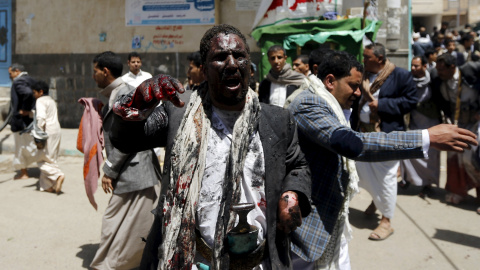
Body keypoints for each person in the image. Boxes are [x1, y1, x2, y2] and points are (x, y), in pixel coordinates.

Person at [109, 24, 312, 269]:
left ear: (250, 66)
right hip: (194, 259)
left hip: (261, 260)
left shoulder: (278, 121)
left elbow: (297, 165)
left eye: (239, 56)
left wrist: (292, 195)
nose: (231, 64)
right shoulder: (179, 114)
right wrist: (135, 105)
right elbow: (124, 140)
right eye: (219, 57)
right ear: (204, 70)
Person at [288, 50, 478, 269]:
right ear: (330, 81)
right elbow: (351, 144)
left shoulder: (328, 101)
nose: (359, 93)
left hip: (332, 219)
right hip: (310, 226)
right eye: (354, 85)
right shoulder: (308, 104)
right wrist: (426, 137)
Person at [89, 51, 161, 270]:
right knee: (120, 223)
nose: (93, 76)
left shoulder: (126, 94)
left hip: (135, 170)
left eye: (95, 71)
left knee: (126, 224)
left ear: (105, 71)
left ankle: (114, 264)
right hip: (131, 171)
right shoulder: (117, 94)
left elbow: (129, 138)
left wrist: (109, 169)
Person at [354, 42, 417, 241]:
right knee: (366, 173)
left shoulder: (400, 76)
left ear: (379, 59)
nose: (363, 60)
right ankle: (375, 201)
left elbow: (410, 101)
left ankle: (386, 221)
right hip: (364, 133)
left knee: (387, 177)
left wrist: (383, 104)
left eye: (367, 57)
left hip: (388, 135)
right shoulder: (362, 75)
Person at [431, 53, 480, 206]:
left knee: (473, 158)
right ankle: (458, 190)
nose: (439, 73)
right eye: (437, 69)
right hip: (457, 121)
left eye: (442, 70)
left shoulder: (471, 71)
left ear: (452, 67)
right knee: (453, 154)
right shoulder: (439, 80)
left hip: (475, 121)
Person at [400, 56, 442, 196]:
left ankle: (428, 184)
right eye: (412, 65)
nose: (413, 68)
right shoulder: (407, 81)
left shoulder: (434, 80)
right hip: (414, 121)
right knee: (410, 151)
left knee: (430, 154)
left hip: (431, 121)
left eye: (416, 66)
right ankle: (409, 179)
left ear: (424, 66)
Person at [30, 80, 65, 194]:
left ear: (40, 92)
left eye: (34, 92)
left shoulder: (40, 101)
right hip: (56, 130)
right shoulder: (51, 100)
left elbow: (41, 118)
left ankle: (58, 175)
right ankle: (48, 186)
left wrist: (37, 135)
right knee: (51, 157)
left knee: (41, 159)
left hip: (46, 132)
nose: (33, 95)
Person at [8, 63, 37, 180]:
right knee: (30, 144)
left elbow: (27, 93)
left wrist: (24, 109)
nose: (10, 76)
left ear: (17, 71)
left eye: (11, 73)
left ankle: (24, 173)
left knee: (20, 147)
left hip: (21, 121)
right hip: (31, 120)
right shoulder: (32, 80)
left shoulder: (18, 82)